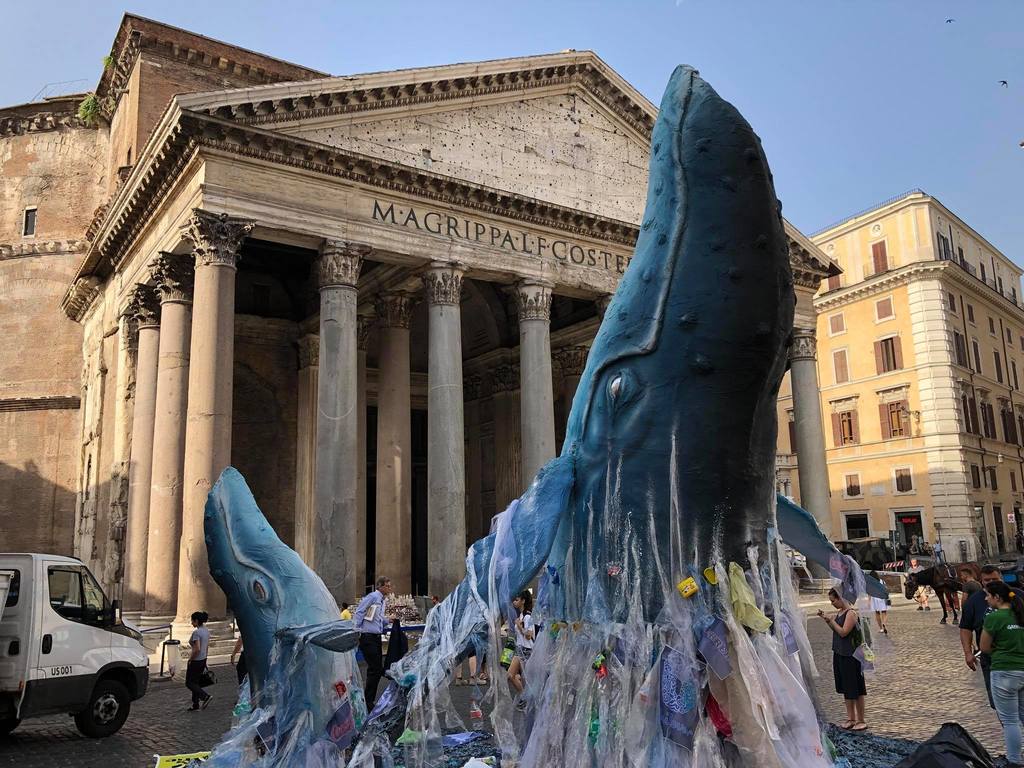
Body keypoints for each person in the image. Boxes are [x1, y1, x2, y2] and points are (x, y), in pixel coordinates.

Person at [981, 580, 1024, 767]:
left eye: (988, 595)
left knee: (1010, 720)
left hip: (1004, 671)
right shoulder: (1021, 614)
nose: (985, 598)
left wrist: (1000, 649)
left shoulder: (994, 618)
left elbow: (984, 647)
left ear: (997, 598)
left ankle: (1014, 760)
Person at [818, 587, 867, 731]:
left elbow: (844, 632)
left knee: (856, 688)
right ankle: (851, 718)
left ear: (840, 598)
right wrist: (828, 620)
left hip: (851, 656)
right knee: (846, 687)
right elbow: (836, 631)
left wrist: (831, 621)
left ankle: (861, 719)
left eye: (833, 600)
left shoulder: (851, 613)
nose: (832, 603)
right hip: (839, 653)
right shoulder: (840, 613)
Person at [961, 564, 1004, 708]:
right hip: (990, 660)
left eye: (994, 579)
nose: (991, 583)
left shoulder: (1016, 595)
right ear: (981, 581)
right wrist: (968, 652)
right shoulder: (973, 602)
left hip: (1018, 656)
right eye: (987, 580)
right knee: (997, 703)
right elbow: (965, 628)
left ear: (1001, 578)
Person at [354, 576, 392, 708]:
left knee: (375, 668)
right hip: (368, 636)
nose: (389, 588)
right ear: (380, 586)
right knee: (375, 668)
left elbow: (378, 618)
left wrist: (389, 620)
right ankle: (368, 701)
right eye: (387, 586)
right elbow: (360, 612)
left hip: (376, 637)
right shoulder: (372, 597)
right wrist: (357, 631)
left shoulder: (382, 601)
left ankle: (369, 699)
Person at [507, 590, 535, 709]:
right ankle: (524, 698)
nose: (514, 602)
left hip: (527, 650)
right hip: (519, 649)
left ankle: (526, 700)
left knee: (526, 679)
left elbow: (529, 634)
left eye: (517, 599)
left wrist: (518, 625)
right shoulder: (522, 616)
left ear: (523, 601)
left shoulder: (528, 616)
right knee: (511, 675)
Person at [185, 611, 213, 711]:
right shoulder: (206, 630)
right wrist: (205, 659)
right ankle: (195, 704)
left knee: (189, 683)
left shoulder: (196, 633)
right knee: (195, 682)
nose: (191, 623)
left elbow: (197, 648)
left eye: (192, 621)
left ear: (196, 621)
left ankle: (205, 696)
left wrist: (190, 659)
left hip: (196, 660)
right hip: (203, 659)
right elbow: (206, 647)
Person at [868, 570, 889, 635]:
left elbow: (869, 592)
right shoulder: (882, 581)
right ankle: (884, 623)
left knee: (877, 613)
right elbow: (886, 589)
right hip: (882, 598)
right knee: (884, 612)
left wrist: (869, 601)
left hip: (874, 598)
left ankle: (881, 628)